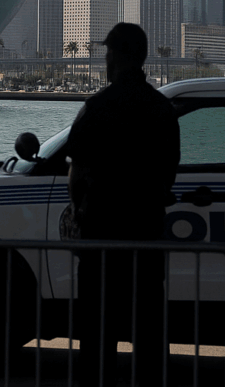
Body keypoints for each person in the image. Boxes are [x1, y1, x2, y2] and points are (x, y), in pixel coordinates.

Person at [63, 22, 180, 387]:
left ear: (115, 56)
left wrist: (84, 207)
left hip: (101, 236)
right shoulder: (162, 110)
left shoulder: (96, 107)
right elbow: (169, 173)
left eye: (108, 52)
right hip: (146, 236)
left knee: (97, 333)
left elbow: (76, 174)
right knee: (148, 330)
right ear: (143, 57)